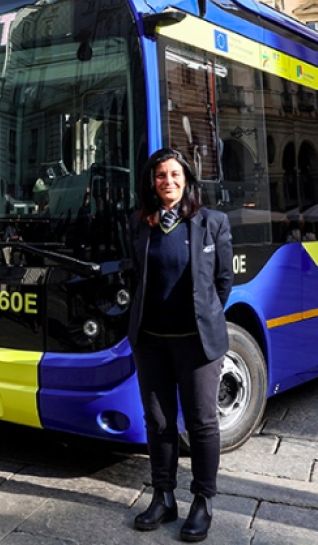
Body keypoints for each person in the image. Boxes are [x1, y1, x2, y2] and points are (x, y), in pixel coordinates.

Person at [129, 148, 233, 542]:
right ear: (151, 182)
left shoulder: (212, 223)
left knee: (203, 422)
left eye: (174, 175)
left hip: (197, 343)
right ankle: (163, 496)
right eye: (160, 176)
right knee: (157, 421)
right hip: (151, 341)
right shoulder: (140, 224)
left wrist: (203, 316)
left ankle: (203, 501)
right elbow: (135, 274)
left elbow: (223, 282)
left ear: (186, 179)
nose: (167, 182)